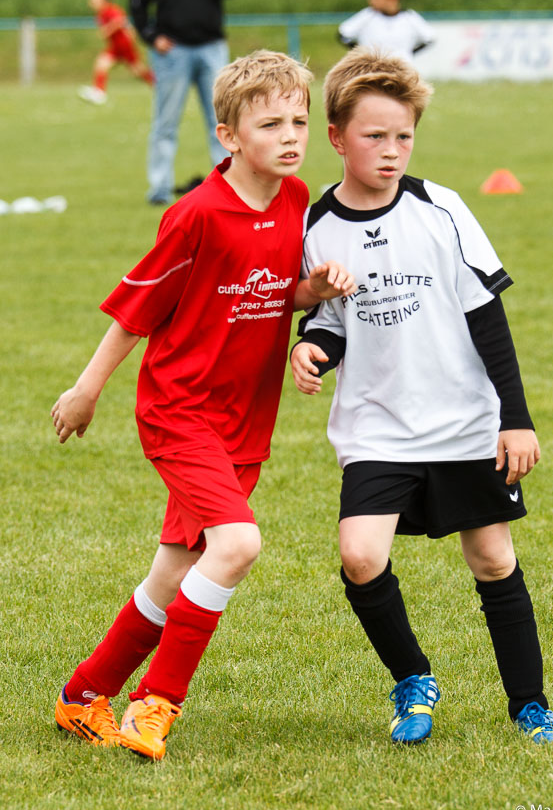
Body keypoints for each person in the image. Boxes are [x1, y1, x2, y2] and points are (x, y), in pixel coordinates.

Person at [51, 50, 356, 761]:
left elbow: (274, 292)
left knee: (173, 572)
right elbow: (136, 312)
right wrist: (86, 390)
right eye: (270, 124)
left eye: (298, 121)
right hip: (180, 410)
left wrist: (314, 291)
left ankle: (82, 697)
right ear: (229, 136)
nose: (290, 136)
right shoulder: (196, 215)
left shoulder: (294, 199)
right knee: (238, 545)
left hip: (243, 420)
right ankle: (156, 704)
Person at [290, 48, 553, 747]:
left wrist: (515, 419)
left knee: (493, 560)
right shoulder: (316, 226)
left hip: (463, 420)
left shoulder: (441, 208)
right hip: (377, 425)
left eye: (404, 136)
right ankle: (413, 678)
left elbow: (488, 318)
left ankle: (531, 705)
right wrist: (311, 348)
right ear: (337, 138)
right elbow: (331, 320)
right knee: (361, 556)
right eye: (374, 136)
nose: (391, 151)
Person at [130, 0, 238, 205]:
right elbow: (138, 2)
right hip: (173, 53)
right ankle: (159, 190)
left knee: (221, 122)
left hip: (211, 50)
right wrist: (151, 36)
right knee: (165, 124)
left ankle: (228, 189)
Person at [338, 0, 435, 64]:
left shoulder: (409, 17)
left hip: (401, 69)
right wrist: (363, 54)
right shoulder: (367, 15)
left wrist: (408, 54)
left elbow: (429, 39)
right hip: (373, 69)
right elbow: (343, 34)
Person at [78, 0, 154, 105]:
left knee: (137, 70)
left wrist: (107, 30)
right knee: (101, 62)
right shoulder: (100, 13)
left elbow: (119, 21)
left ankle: (159, 85)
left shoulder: (110, 10)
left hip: (124, 44)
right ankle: (99, 92)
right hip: (115, 47)